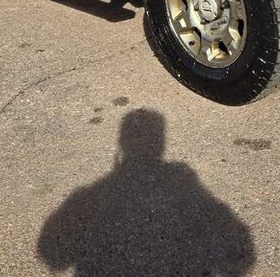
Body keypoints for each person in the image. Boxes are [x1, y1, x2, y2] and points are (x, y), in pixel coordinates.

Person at [37, 109, 256, 277]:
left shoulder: (89, 195)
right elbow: (240, 254)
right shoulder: (184, 178)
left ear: (122, 145)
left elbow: (53, 257)